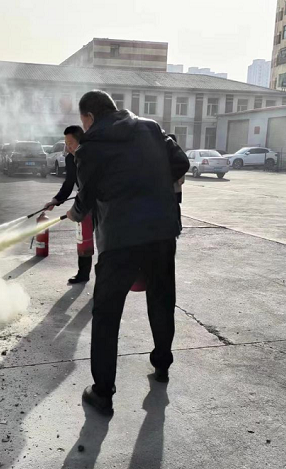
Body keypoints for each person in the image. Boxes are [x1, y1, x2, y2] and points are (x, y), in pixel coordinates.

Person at [65, 90, 190, 415]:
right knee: (162, 299)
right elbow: (181, 162)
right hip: (161, 231)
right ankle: (162, 364)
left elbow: (86, 197)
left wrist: (74, 214)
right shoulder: (150, 128)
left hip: (120, 238)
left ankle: (103, 393)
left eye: (83, 121)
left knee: (107, 315)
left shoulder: (90, 147)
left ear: (89, 117)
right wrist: (152, 183)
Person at [44, 125, 93, 284]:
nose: (67, 147)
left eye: (70, 143)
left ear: (80, 141)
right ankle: (83, 273)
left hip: (102, 203)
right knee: (83, 237)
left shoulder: (93, 156)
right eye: (66, 143)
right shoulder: (70, 159)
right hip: (84, 202)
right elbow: (69, 183)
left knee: (106, 241)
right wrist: (55, 200)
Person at [168, 133, 185, 224]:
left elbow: (183, 165)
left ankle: (177, 223)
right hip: (171, 185)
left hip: (175, 185)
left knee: (175, 205)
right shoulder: (168, 152)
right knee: (173, 205)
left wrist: (181, 179)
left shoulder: (177, 152)